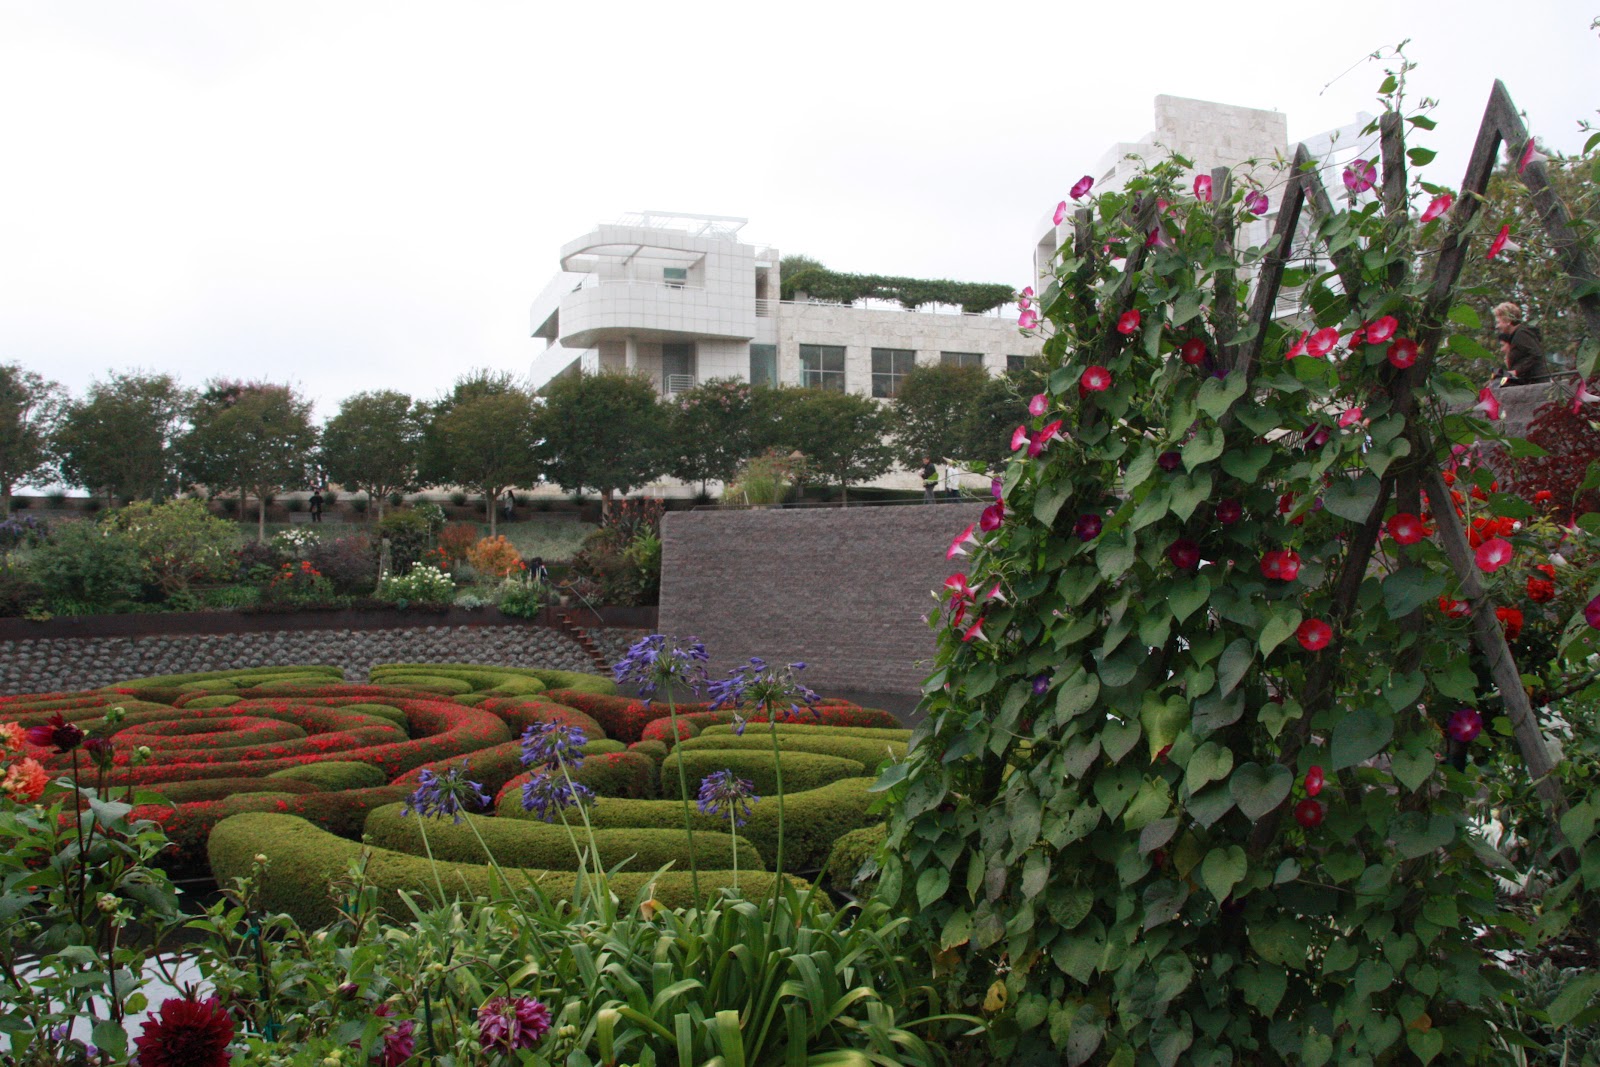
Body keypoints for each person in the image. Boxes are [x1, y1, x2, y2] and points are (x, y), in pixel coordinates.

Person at [1494, 302, 1547, 383]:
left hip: (1534, 382)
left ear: (1508, 320)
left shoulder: (1521, 333)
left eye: (1498, 322)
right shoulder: (1516, 336)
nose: (1497, 326)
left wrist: (1516, 371)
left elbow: (1535, 354)